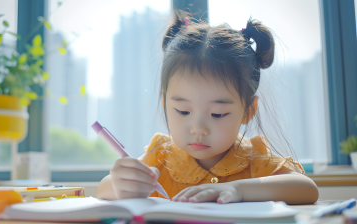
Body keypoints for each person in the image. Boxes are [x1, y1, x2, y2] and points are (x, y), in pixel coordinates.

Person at [96, 11, 319, 204]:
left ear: (248, 111)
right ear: (165, 103)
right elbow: (102, 190)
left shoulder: (253, 162)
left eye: (217, 114)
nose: (198, 128)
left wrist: (237, 189)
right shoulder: (160, 158)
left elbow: (306, 189)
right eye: (183, 111)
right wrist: (120, 186)